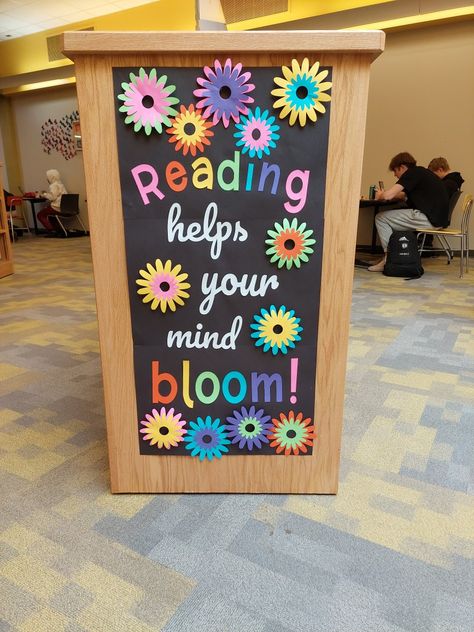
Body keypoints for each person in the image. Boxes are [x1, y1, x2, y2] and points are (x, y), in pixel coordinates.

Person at [368, 152, 449, 272]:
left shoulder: (411, 173)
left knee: (381, 218)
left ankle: (389, 258)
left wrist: (381, 195)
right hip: (438, 219)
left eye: (395, 171)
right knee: (391, 217)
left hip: (429, 219)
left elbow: (388, 196)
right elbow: (403, 195)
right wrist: (389, 195)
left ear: (402, 167)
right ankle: (389, 256)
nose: (395, 175)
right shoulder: (421, 173)